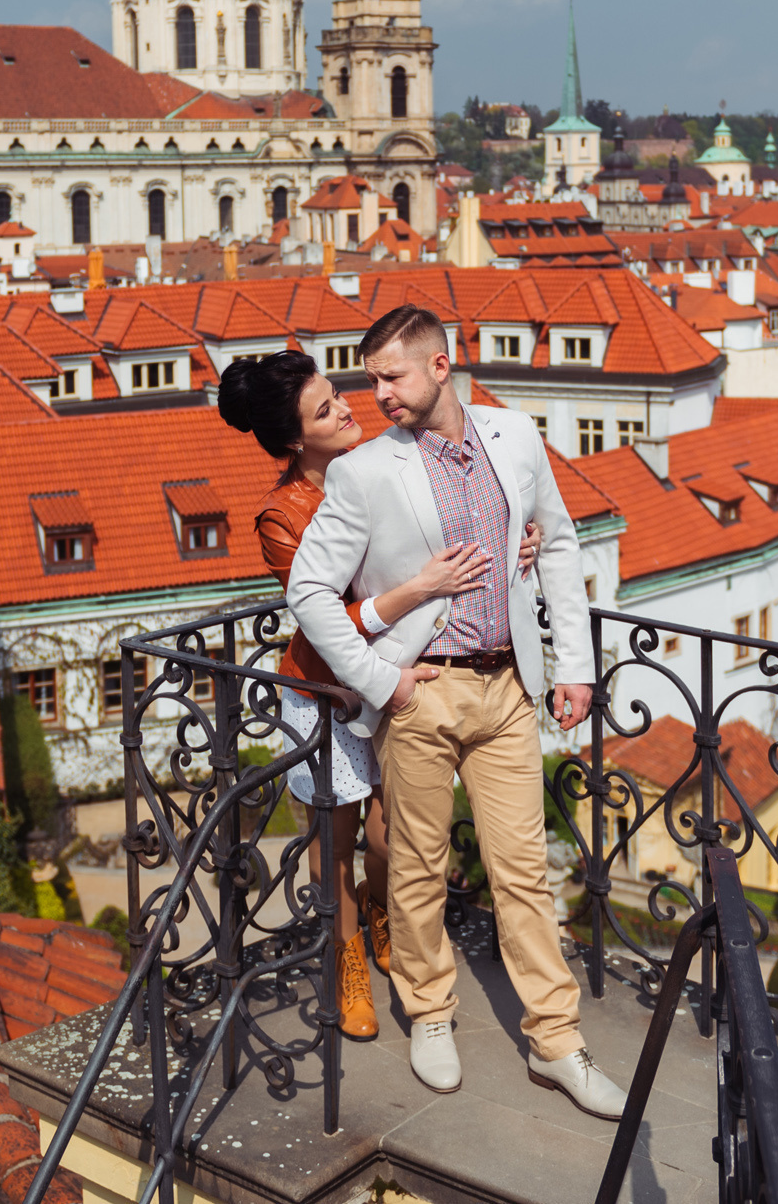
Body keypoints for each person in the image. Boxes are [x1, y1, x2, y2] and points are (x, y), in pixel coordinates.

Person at [285, 306, 625, 1120]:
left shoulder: (514, 435)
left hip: (509, 687)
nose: (379, 394)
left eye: (391, 376)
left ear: (442, 366)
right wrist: (379, 679)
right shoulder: (365, 470)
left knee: (525, 871)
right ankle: (430, 1012)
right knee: (415, 866)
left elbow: (562, 542)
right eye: (370, 379)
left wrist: (575, 665)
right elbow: (307, 589)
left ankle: (558, 1042)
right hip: (424, 687)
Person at [218, 350, 541, 1043]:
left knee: (396, 836)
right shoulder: (283, 514)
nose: (348, 409)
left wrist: (518, 539)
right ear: (297, 439)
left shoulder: (385, 464)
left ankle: (383, 909)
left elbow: (452, 530)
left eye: (337, 394)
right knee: (332, 844)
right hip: (328, 691)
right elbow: (326, 620)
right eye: (326, 408)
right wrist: (415, 590)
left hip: (401, 673)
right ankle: (347, 957)